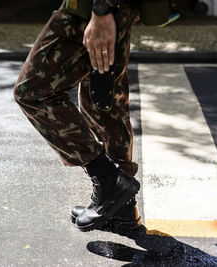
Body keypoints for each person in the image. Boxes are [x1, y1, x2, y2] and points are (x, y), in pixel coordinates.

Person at [13, 0, 142, 232]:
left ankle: (110, 181)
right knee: (103, 99)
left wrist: (102, 10)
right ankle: (122, 207)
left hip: (90, 7)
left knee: (32, 92)